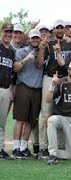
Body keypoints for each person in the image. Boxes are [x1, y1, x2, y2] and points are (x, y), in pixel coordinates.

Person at [36, 19, 71, 159]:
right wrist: (42, 48)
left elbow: (67, 65)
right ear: (54, 30)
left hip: (65, 79)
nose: (59, 30)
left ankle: (59, 146)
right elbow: (40, 64)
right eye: (57, 28)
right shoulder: (49, 43)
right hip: (49, 77)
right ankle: (43, 147)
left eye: (62, 28)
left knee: (61, 113)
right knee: (46, 113)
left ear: (65, 29)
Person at [11, 29, 43, 159]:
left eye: (37, 38)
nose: (35, 40)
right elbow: (16, 68)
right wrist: (25, 59)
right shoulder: (21, 51)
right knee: (20, 119)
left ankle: (24, 147)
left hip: (37, 89)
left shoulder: (42, 51)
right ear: (29, 39)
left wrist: (40, 51)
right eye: (33, 38)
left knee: (31, 120)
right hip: (23, 87)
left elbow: (40, 65)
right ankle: (15, 147)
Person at [0, 22, 15, 159]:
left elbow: (10, 72)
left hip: (5, 89)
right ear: (1, 32)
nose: (8, 34)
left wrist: (10, 89)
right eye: (6, 31)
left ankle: (0, 149)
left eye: (10, 32)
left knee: (2, 122)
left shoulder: (11, 51)